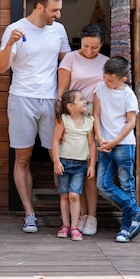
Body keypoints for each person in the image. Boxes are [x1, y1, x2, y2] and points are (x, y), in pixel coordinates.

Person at [0, 0, 71, 233]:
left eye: (59, 10)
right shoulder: (15, 30)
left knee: (58, 157)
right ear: (39, 6)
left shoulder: (58, 30)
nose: (58, 15)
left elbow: (68, 64)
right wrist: (9, 45)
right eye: (54, 10)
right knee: (23, 157)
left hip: (51, 101)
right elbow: (0, 68)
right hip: (21, 99)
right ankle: (29, 213)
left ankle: (66, 217)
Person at [57, 23, 108, 235]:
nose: (89, 51)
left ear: (102, 45)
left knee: (90, 169)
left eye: (94, 48)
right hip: (73, 117)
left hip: (95, 117)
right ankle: (79, 216)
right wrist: (60, 119)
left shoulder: (106, 63)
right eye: (86, 46)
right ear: (81, 41)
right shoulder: (70, 58)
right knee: (75, 164)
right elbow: (61, 90)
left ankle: (92, 217)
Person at [93, 56, 140, 243]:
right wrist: (100, 138)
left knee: (127, 185)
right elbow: (95, 114)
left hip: (124, 144)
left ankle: (126, 228)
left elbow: (131, 122)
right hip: (104, 144)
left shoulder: (128, 95)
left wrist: (115, 141)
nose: (106, 82)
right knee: (102, 183)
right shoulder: (100, 88)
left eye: (110, 80)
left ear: (122, 79)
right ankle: (136, 211)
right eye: (105, 77)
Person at [51, 89, 96, 241]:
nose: (85, 101)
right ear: (70, 106)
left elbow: (91, 144)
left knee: (74, 195)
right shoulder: (64, 120)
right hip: (64, 163)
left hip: (80, 165)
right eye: (81, 99)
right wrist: (56, 161)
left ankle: (75, 226)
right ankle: (65, 225)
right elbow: (56, 140)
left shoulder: (89, 121)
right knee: (64, 196)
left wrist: (91, 165)